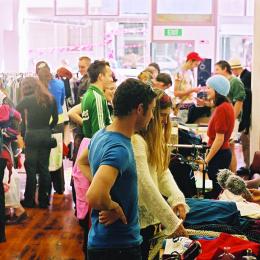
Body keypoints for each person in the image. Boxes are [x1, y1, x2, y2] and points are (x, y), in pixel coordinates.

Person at [77, 78, 157, 260]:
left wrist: (108, 195)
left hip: (102, 241)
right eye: (151, 110)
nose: (152, 116)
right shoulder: (119, 149)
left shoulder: (101, 134)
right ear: (139, 109)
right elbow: (94, 195)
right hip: (118, 247)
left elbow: (81, 162)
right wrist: (113, 206)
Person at [131, 89, 188, 259]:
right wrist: (172, 221)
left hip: (150, 222)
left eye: (167, 115)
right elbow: (145, 185)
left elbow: (162, 172)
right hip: (138, 224)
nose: (165, 121)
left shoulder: (150, 140)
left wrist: (176, 197)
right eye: (162, 115)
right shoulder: (136, 140)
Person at [17, 77, 58, 208]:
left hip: (32, 135)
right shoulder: (50, 98)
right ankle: (44, 200)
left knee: (31, 169)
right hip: (46, 135)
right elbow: (55, 120)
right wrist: (47, 129)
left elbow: (15, 113)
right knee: (44, 168)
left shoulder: (27, 100)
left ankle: (29, 200)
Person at [204, 75, 235, 199]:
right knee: (217, 191)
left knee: (216, 193)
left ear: (217, 90)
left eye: (209, 88)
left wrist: (206, 160)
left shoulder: (222, 109)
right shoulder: (225, 105)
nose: (206, 90)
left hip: (219, 155)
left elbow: (219, 139)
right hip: (222, 153)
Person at [38, 66, 66, 195]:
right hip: (58, 122)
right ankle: (60, 187)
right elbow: (61, 101)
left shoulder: (38, 87)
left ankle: (46, 187)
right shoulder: (60, 83)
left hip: (43, 122)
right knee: (57, 154)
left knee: (44, 155)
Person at [214, 60, 246, 173]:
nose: (215, 72)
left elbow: (239, 100)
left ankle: (233, 176)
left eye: (217, 69)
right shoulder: (226, 82)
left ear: (224, 69)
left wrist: (231, 118)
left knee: (230, 147)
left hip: (233, 119)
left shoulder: (235, 81)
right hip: (227, 118)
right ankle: (228, 176)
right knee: (227, 147)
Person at [229, 58, 252, 168]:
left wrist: (244, 121)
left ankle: (248, 167)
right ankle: (247, 166)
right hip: (245, 116)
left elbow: (243, 101)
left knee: (245, 143)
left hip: (245, 116)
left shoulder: (243, 79)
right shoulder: (244, 77)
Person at [81, 60, 113, 138]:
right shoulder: (97, 98)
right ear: (101, 76)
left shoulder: (88, 95)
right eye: (110, 76)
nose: (111, 79)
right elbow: (100, 134)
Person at [174, 52, 203, 123]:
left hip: (190, 103)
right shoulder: (179, 72)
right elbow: (176, 93)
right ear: (190, 61)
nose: (196, 67)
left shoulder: (189, 72)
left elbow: (188, 89)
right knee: (182, 128)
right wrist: (192, 90)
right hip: (183, 104)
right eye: (196, 64)